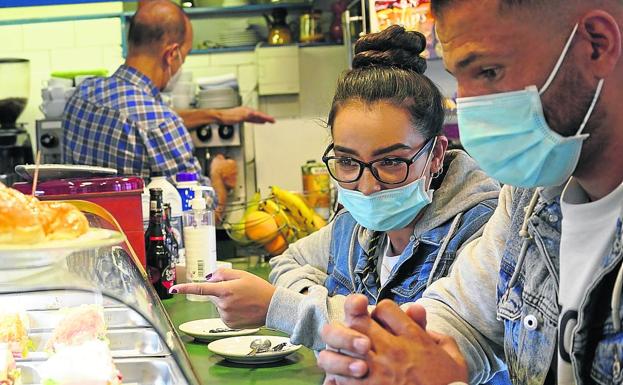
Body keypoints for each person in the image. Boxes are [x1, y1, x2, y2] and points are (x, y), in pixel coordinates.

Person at [169, 27, 507, 384]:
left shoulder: (480, 228)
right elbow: (290, 261)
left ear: (436, 154)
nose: (367, 185)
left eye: (391, 162)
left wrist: (281, 307)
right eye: (347, 162)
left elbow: (415, 350)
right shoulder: (354, 223)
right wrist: (320, 298)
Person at [318, 1, 623, 384]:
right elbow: (464, 316)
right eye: (458, 77)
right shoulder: (528, 200)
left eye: (489, 71)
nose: (469, 106)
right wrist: (394, 352)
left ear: (596, 45)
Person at [62, 0, 273, 191]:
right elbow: (200, 214)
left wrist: (217, 115)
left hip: (82, 228)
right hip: (137, 234)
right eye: (185, 55)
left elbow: (135, 117)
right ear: (172, 55)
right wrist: (217, 175)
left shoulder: (83, 93)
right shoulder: (160, 123)